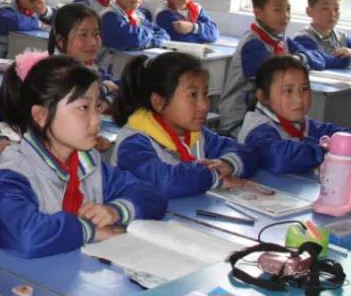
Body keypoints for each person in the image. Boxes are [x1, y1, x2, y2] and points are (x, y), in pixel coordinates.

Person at [0, 54, 166, 257]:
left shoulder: (88, 161)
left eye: (97, 107)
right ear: (41, 116)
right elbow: (25, 237)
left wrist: (116, 211)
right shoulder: (11, 175)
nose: (96, 120)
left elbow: (151, 194)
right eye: (83, 108)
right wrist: (89, 231)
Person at [111, 52, 259, 198]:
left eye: (205, 94)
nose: (204, 106)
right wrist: (214, 177)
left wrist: (228, 164)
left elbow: (247, 152)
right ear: (159, 102)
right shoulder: (133, 143)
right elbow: (165, 182)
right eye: (192, 95)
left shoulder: (196, 134)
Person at [219, 0, 324, 135]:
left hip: (270, 117)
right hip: (240, 121)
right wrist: (296, 61)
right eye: (278, 10)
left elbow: (319, 59)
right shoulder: (252, 45)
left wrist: (298, 59)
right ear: (258, 13)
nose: (285, 16)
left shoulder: (281, 39)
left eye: (288, 9)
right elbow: (278, 77)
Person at [238, 56, 351, 174]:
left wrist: (343, 145)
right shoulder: (257, 129)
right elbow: (279, 158)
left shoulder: (301, 124)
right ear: (263, 96)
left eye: (304, 89)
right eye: (288, 91)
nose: (298, 99)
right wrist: (325, 152)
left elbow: (350, 137)